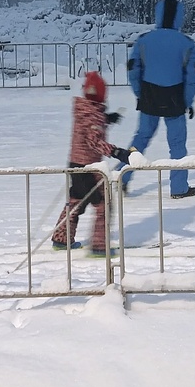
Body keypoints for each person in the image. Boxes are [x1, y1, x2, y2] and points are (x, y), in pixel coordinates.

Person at [51, 70, 134, 258]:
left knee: (75, 202)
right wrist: (116, 152)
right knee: (103, 204)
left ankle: (61, 238)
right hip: (89, 167)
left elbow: (90, 125)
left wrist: (107, 119)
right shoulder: (94, 116)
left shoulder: (85, 109)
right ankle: (99, 246)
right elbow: (94, 141)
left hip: (75, 163)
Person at [123, 0, 195, 199]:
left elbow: (133, 70)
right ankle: (179, 187)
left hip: (149, 96)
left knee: (141, 138)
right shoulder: (187, 43)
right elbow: (191, 77)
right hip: (175, 99)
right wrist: (188, 102)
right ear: (179, 17)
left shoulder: (144, 40)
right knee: (177, 143)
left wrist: (141, 93)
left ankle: (120, 177)